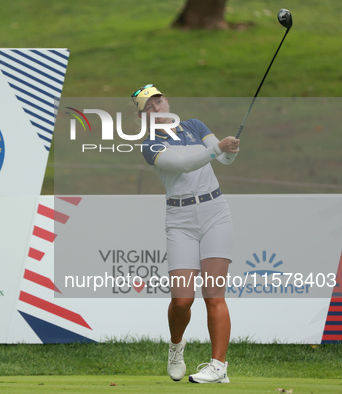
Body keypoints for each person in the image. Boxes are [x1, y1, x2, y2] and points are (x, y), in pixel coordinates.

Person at [132, 84, 240, 384]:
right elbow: (182, 165)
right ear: (142, 118)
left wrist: (230, 149)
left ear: (167, 101)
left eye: (158, 101)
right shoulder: (150, 145)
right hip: (180, 219)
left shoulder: (194, 126)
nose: (156, 109)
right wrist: (218, 149)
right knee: (182, 300)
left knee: (214, 294)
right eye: (148, 108)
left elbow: (223, 159)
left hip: (215, 211)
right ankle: (176, 347)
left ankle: (218, 367)